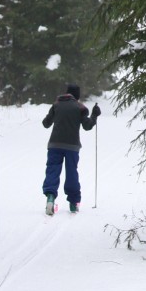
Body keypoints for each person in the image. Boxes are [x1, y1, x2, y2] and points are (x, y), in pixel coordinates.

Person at [42, 83, 100, 215]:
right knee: (71, 173)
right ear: (77, 96)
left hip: (54, 145)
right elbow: (87, 126)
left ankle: (50, 198)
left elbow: (46, 124)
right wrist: (95, 115)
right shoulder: (80, 108)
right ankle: (73, 203)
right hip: (72, 147)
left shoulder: (56, 105)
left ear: (66, 93)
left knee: (52, 170)